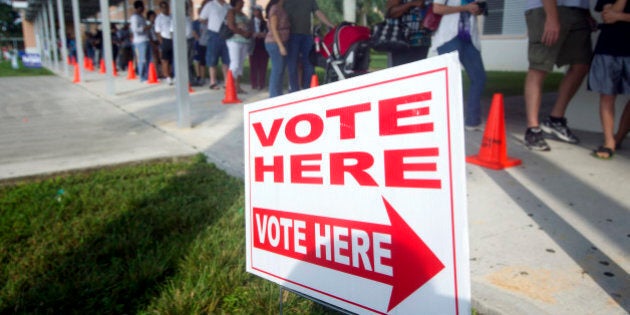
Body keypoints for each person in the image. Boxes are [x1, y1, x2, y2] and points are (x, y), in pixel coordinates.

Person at [522, 0, 594, 151]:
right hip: (545, 9)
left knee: (581, 65)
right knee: (539, 67)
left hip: (577, 11)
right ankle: (533, 129)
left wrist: (586, 12)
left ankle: (555, 120)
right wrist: (552, 17)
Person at [433, 0, 486, 130]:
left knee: (479, 78)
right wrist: (465, 7)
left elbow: (480, 10)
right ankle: (448, 121)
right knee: (452, 81)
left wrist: (477, 9)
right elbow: (437, 8)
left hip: (470, 38)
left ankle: (472, 121)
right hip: (449, 37)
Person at [588, 0, 630, 159]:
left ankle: (618, 137)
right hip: (609, 47)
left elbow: (616, 15)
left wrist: (621, 16)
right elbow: (608, 17)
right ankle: (609, 142)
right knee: (607, 95)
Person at [284, 0, 334, 92]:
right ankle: (293, 91)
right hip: (291, 36)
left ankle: (307, 89)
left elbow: (318, 12)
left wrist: (331, 25)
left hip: (306, 36)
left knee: (309, 63)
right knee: (292, 64)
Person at [386, 0, 432, 66]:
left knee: (419, 72)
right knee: (401, 72)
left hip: (423, 41)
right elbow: (391, 13)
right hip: (402, 42)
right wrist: (412, 4)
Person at [199, 0, 232, 90]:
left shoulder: (228, 7)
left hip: (225, 35)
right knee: (212, 59)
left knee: (226, 60)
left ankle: (226, 82)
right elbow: (201, 18)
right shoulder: (210, 5)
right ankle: (213, 82)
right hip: (214, 34)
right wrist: (210, 24)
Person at [225, 0, 252, 94]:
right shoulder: (231, 12)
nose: (243, 2)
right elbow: (231, 26)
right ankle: (229, 85)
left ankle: (237, 86)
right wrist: (243, 33)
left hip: (244, 41)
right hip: (234, 41)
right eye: (241, 1)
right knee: (235, 63)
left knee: (240, 65)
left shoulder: (243, 14)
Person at [265, 0, 290, 97]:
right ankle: (273, 96)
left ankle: (277, 94)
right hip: (275, 43)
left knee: (280, 70)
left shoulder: (282, 8)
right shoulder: (275, 9)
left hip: (282, 41)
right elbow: (274, 28)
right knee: (277, 70)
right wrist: (281, 46)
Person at [130, 1, 151, 81]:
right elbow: (135, 29)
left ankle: (148, 74)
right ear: (137, 8)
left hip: (146, 39)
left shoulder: (141, 17)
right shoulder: (134, 18)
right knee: (142, 59)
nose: (143, 9)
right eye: (141, 8)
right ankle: (142, 76)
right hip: (139, 41)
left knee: (148, 59)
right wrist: (145, 28)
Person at [249, 5, 269, 90]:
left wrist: (264, 35)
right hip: (254, 44)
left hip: (263, 44)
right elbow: (248, 32)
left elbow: (268, 32)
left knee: (263, 64)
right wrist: (253, 34)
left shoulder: (264, 23)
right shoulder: (250, 23)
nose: (256, 13)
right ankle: (254, 83)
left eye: (258, 11)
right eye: (255, 11)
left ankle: (261, 83)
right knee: (253, 64)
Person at [155, 1, 174, 84]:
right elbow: (158, 32)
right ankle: (167, 76)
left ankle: (171, 73)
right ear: (160, 8)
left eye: (166, 7)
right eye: (163, 7)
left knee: (172, 59)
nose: (165, 9)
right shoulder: (159, 18)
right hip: (165, 39)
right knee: (165, 60)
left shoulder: (172, 16)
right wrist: (161, 42)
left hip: (173, 39)